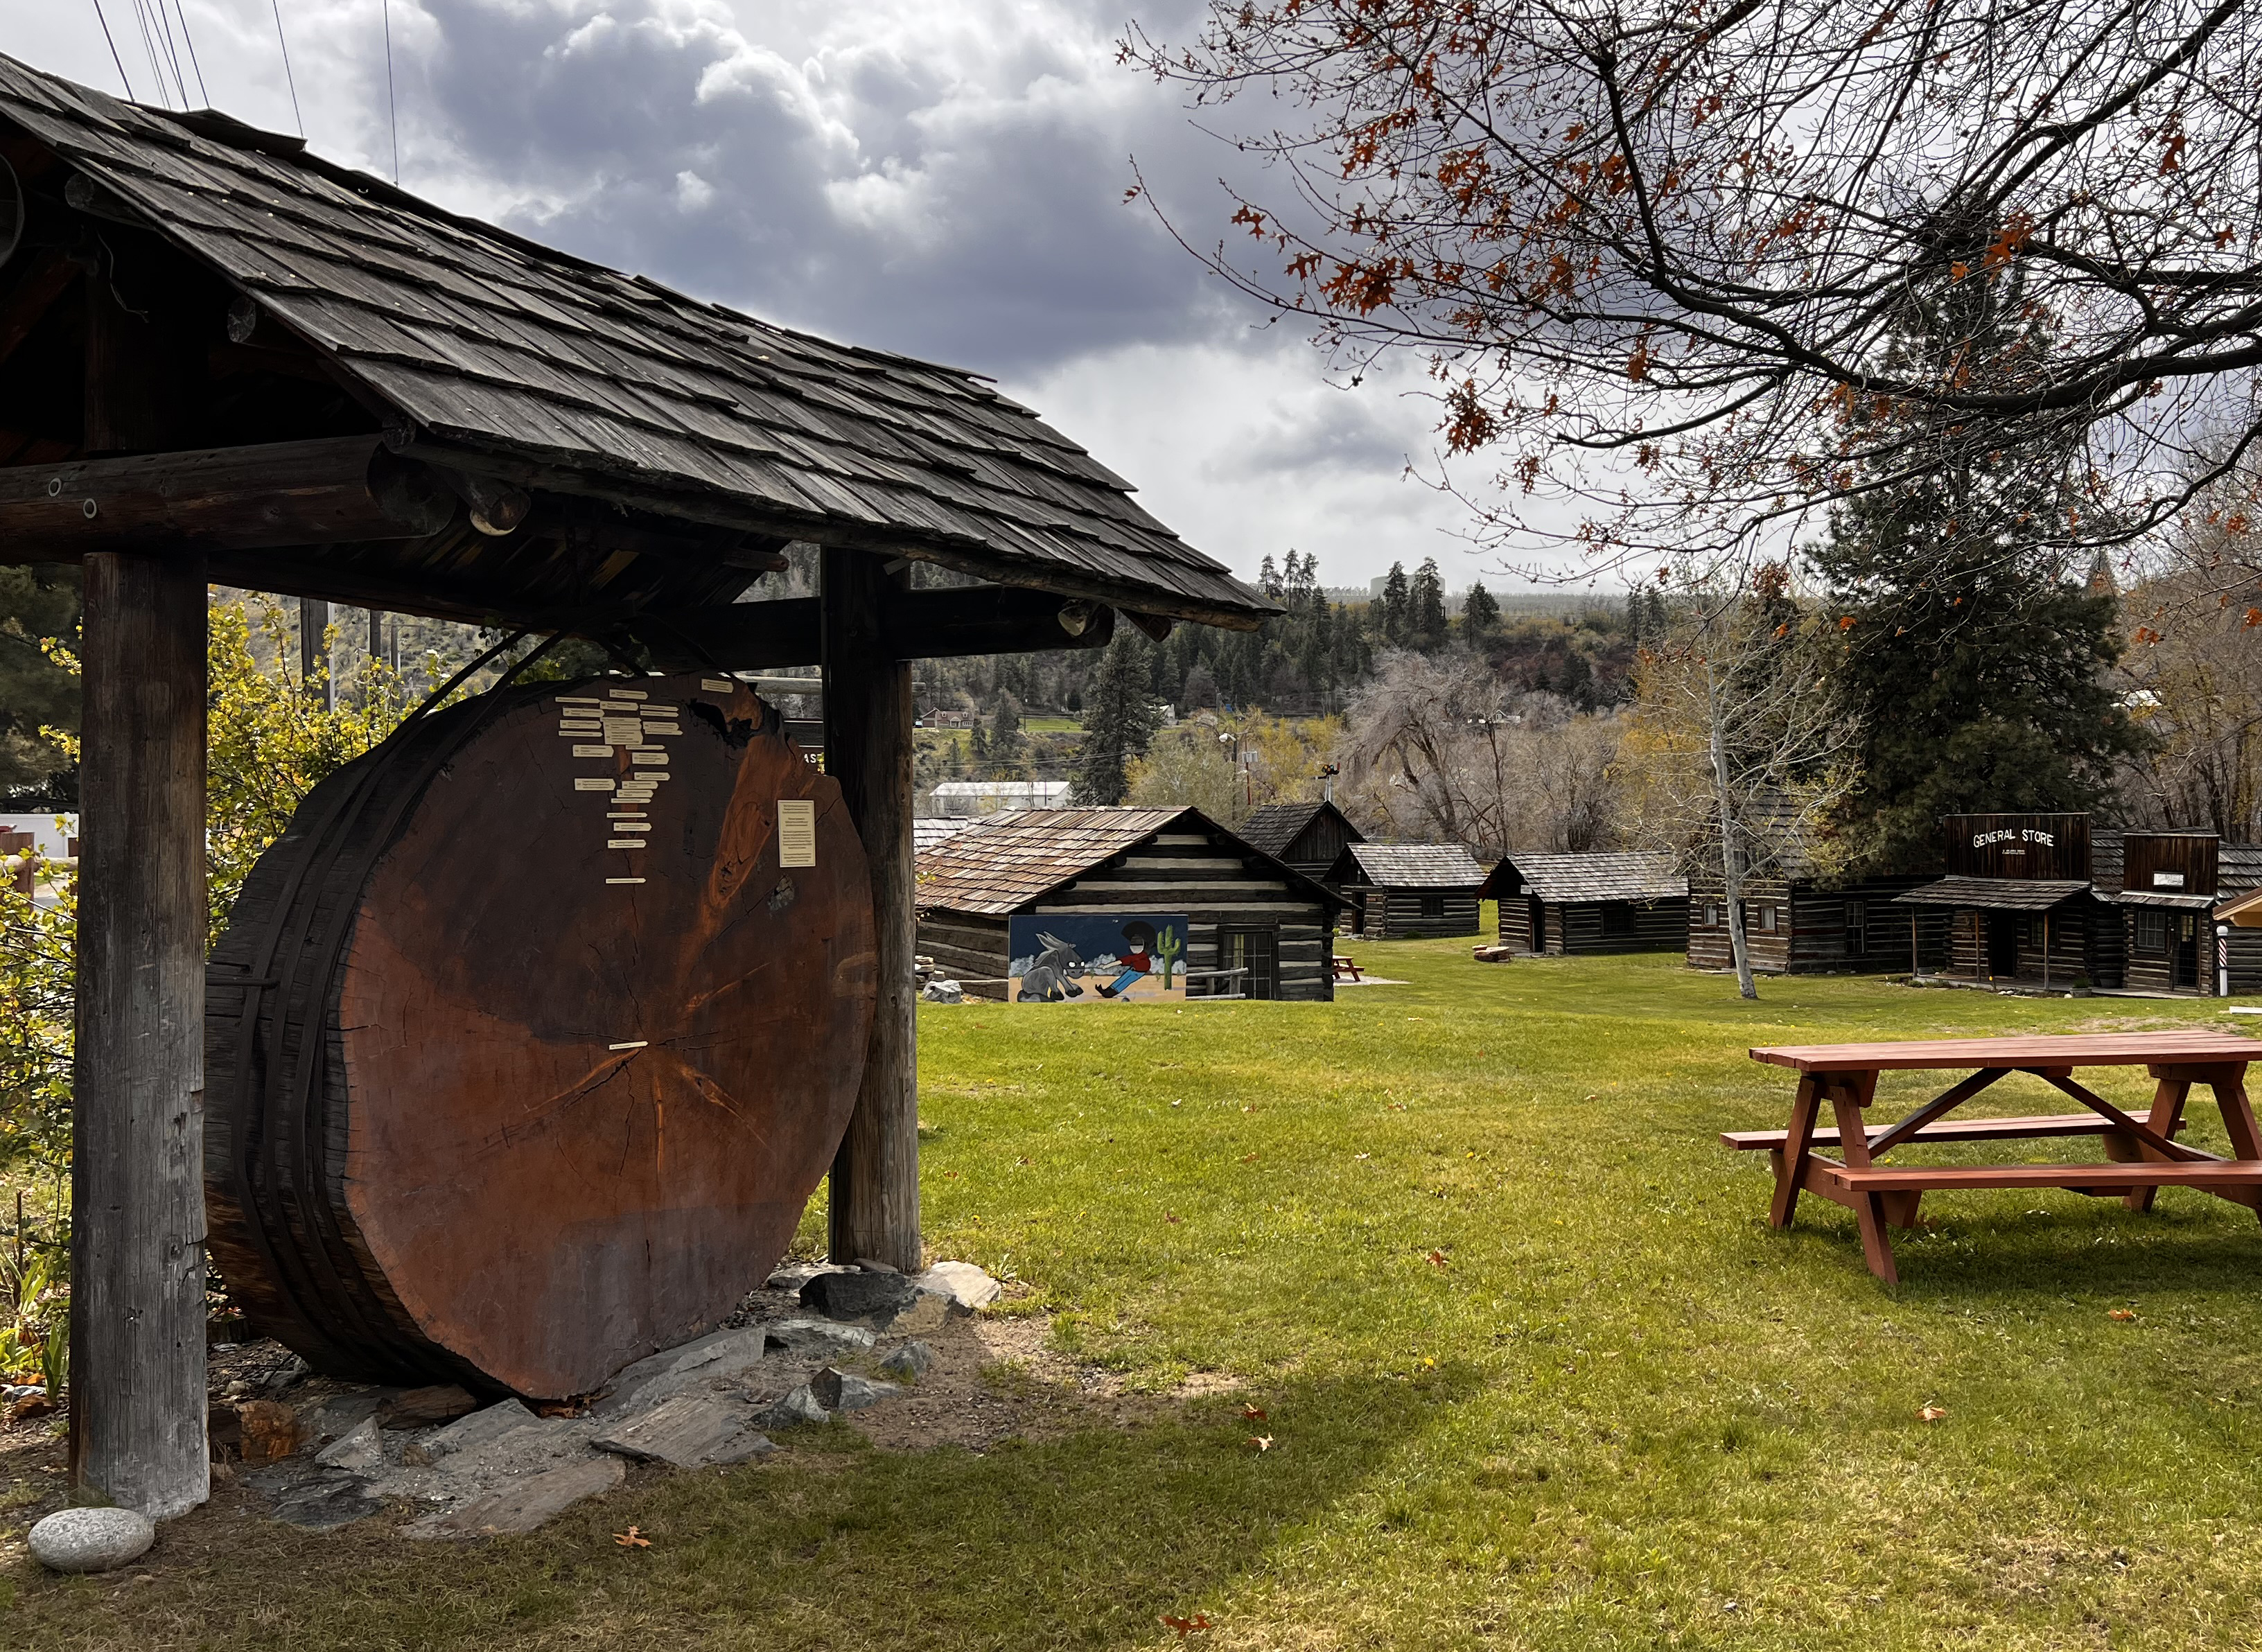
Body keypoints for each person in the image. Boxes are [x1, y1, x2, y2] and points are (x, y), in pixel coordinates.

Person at [1097, 920, 1157, 998]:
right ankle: (1108, 990)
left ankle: (1111, 992)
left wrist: (1106, 966)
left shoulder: (1136, 957)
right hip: (1135, 970)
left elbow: (1119, 962)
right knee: (1124, 979)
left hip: (1138, 972)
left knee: (1125, 980)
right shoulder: (1142, 954)